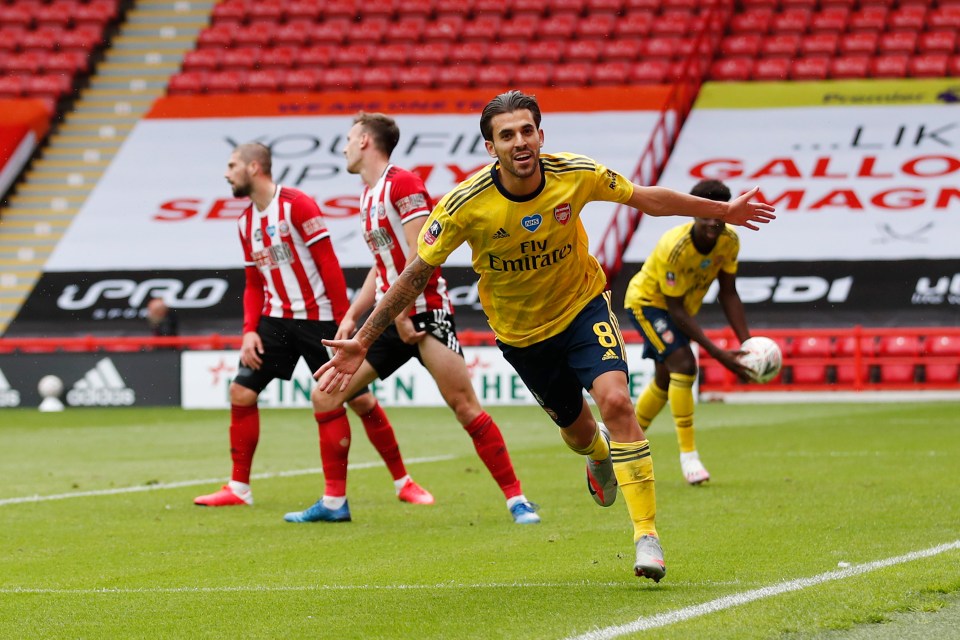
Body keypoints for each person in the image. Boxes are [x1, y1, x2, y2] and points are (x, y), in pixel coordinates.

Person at [314, 90, 775, 583]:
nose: (520, 142)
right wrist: (364, 338)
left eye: (527, 131)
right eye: (506, 135)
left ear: (540, 134)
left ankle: (647, 534)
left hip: (583, 308)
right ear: (491, 147)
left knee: (617, 402)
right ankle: (598, 454)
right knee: (579, 435)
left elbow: (647, 198)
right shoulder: (463, 205)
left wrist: (720, 212)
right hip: (522, 335)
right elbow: (414, 274)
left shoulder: (574, 173)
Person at [282, 112, 540, 526]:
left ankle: (517, 500)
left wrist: (402, 313)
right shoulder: (369, 195)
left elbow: (421, 255)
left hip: (424, 316)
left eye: (349, 139)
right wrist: (352, 315)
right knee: (326, 394)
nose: (345, 147)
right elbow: (382, 266)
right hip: (390, 321)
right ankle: (334, 503)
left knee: (464, 407)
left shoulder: (403, 184)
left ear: (366, 141)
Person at [194, 142, 434, 512]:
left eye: (232, 165)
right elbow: (254, 282)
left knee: (360, 399)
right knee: (241, 393)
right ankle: (239, 487)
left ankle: (404, 482)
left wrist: (344, 324)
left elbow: (329, 265)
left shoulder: (297, 204)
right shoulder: (245, 222)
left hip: (319, 320)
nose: (226, 173)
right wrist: (249, 330)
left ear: (254, 167)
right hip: (275, 322)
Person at [624, 180, 754, 487]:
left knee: (665, 378)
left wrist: (748, 343)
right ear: (693, 212)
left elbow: (729, 294)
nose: (712, 221)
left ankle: (624, 443)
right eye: (705, 212)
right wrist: (718, 353)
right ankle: (689, 457)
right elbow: (676, 309)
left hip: (680, 310)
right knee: (684, 364)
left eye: (718, 213)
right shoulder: (675, 246)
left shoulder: (730, 241)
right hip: (648, 305)